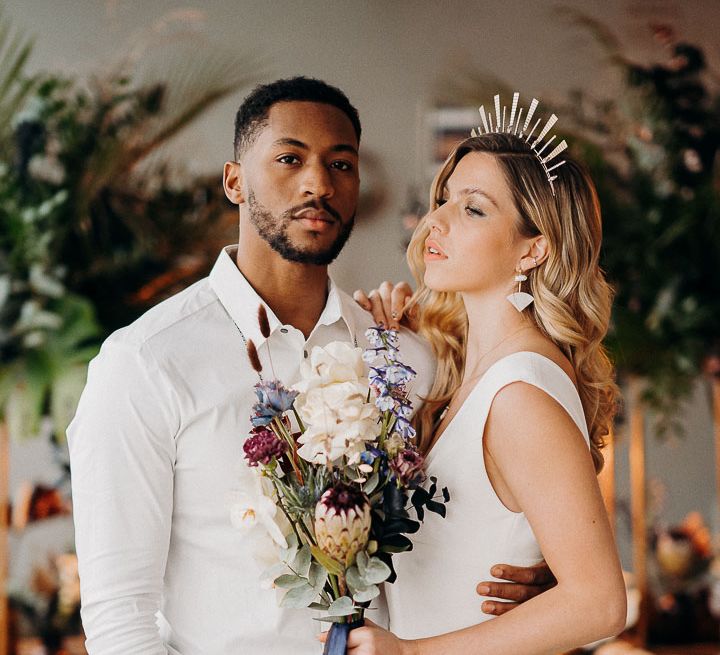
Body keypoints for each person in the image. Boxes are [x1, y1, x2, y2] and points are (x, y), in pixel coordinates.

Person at [67, 78, 551, 654]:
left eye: (340, 164)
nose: (318, 183)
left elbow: (460, 516)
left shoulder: (404, 361)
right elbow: (119, 620)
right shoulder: (145, 365)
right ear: (235, 182)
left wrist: (535, 570)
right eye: (289, 158)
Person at [327, 117, 627, 654]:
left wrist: (412, 653)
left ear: (533, 250)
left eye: (473, 208)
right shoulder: (469, 373)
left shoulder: (520, 395)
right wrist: (391, 346)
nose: (435, 221)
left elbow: (600, 603)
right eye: (444, 198)